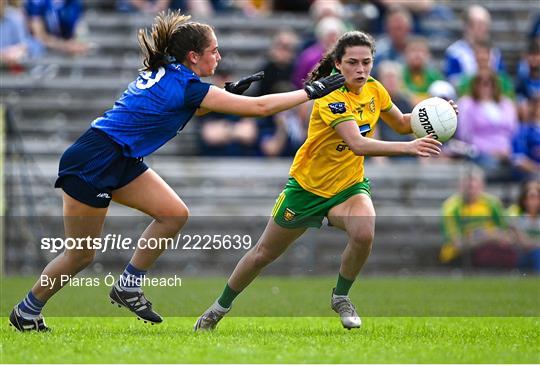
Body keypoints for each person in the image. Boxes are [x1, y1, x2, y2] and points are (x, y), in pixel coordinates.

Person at [8, 10, 345, 332]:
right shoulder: (188, 86)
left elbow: (177, 107)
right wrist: (309, 92)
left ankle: (128, 285)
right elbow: (258, 107)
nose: (219, 56)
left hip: (119, 157)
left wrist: (224, 94)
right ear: (194, 57)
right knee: (81, 254)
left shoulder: (175, 74)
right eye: (214, 51)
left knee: (173, 214)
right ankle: (27, 310)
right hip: (93, 161)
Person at [194, 31, 453, 331]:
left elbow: (403, 123)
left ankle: (341, 296)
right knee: (263, 254)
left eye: (366, 62)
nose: (360, 69)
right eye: (353, 62)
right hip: (307, 189)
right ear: (338, 64)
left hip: (348, 187)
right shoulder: (331, 96)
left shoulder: (375, 89)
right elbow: (358, 144)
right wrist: (407, 149)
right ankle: (218, 308)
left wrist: (438, 117)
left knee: (364, 230)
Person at [439, 167, 516, 268]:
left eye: (474, 186)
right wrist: (486, 236)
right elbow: (457, 243)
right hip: (458, 256)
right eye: (467, 187)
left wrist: (491, 236)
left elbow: (507, 235)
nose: (471, 191)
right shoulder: (451, 207)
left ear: (482, 186)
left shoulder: (492, 203)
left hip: (491, 250)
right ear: (460, 187)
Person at [444, 5, 505, 86]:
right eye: (479, 24)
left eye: (486, 24)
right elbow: (452, 82)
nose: (484, 28)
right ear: (467, 26)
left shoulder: (495, 52)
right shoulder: (455, 52)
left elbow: (502, 80)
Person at [24, 0, 90, 56]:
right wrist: (64, 45)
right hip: (41, 53)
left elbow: (79, 32)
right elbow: (38, 36)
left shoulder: (74, 3)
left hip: (64, 52)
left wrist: (78, 44)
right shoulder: (38, 2)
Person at [508, 180, 540, 273]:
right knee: (537, 254)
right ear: (524, 199)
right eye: (532, 197)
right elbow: (524, 243)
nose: (535, 201)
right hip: (522, 255)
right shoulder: (515, 214)